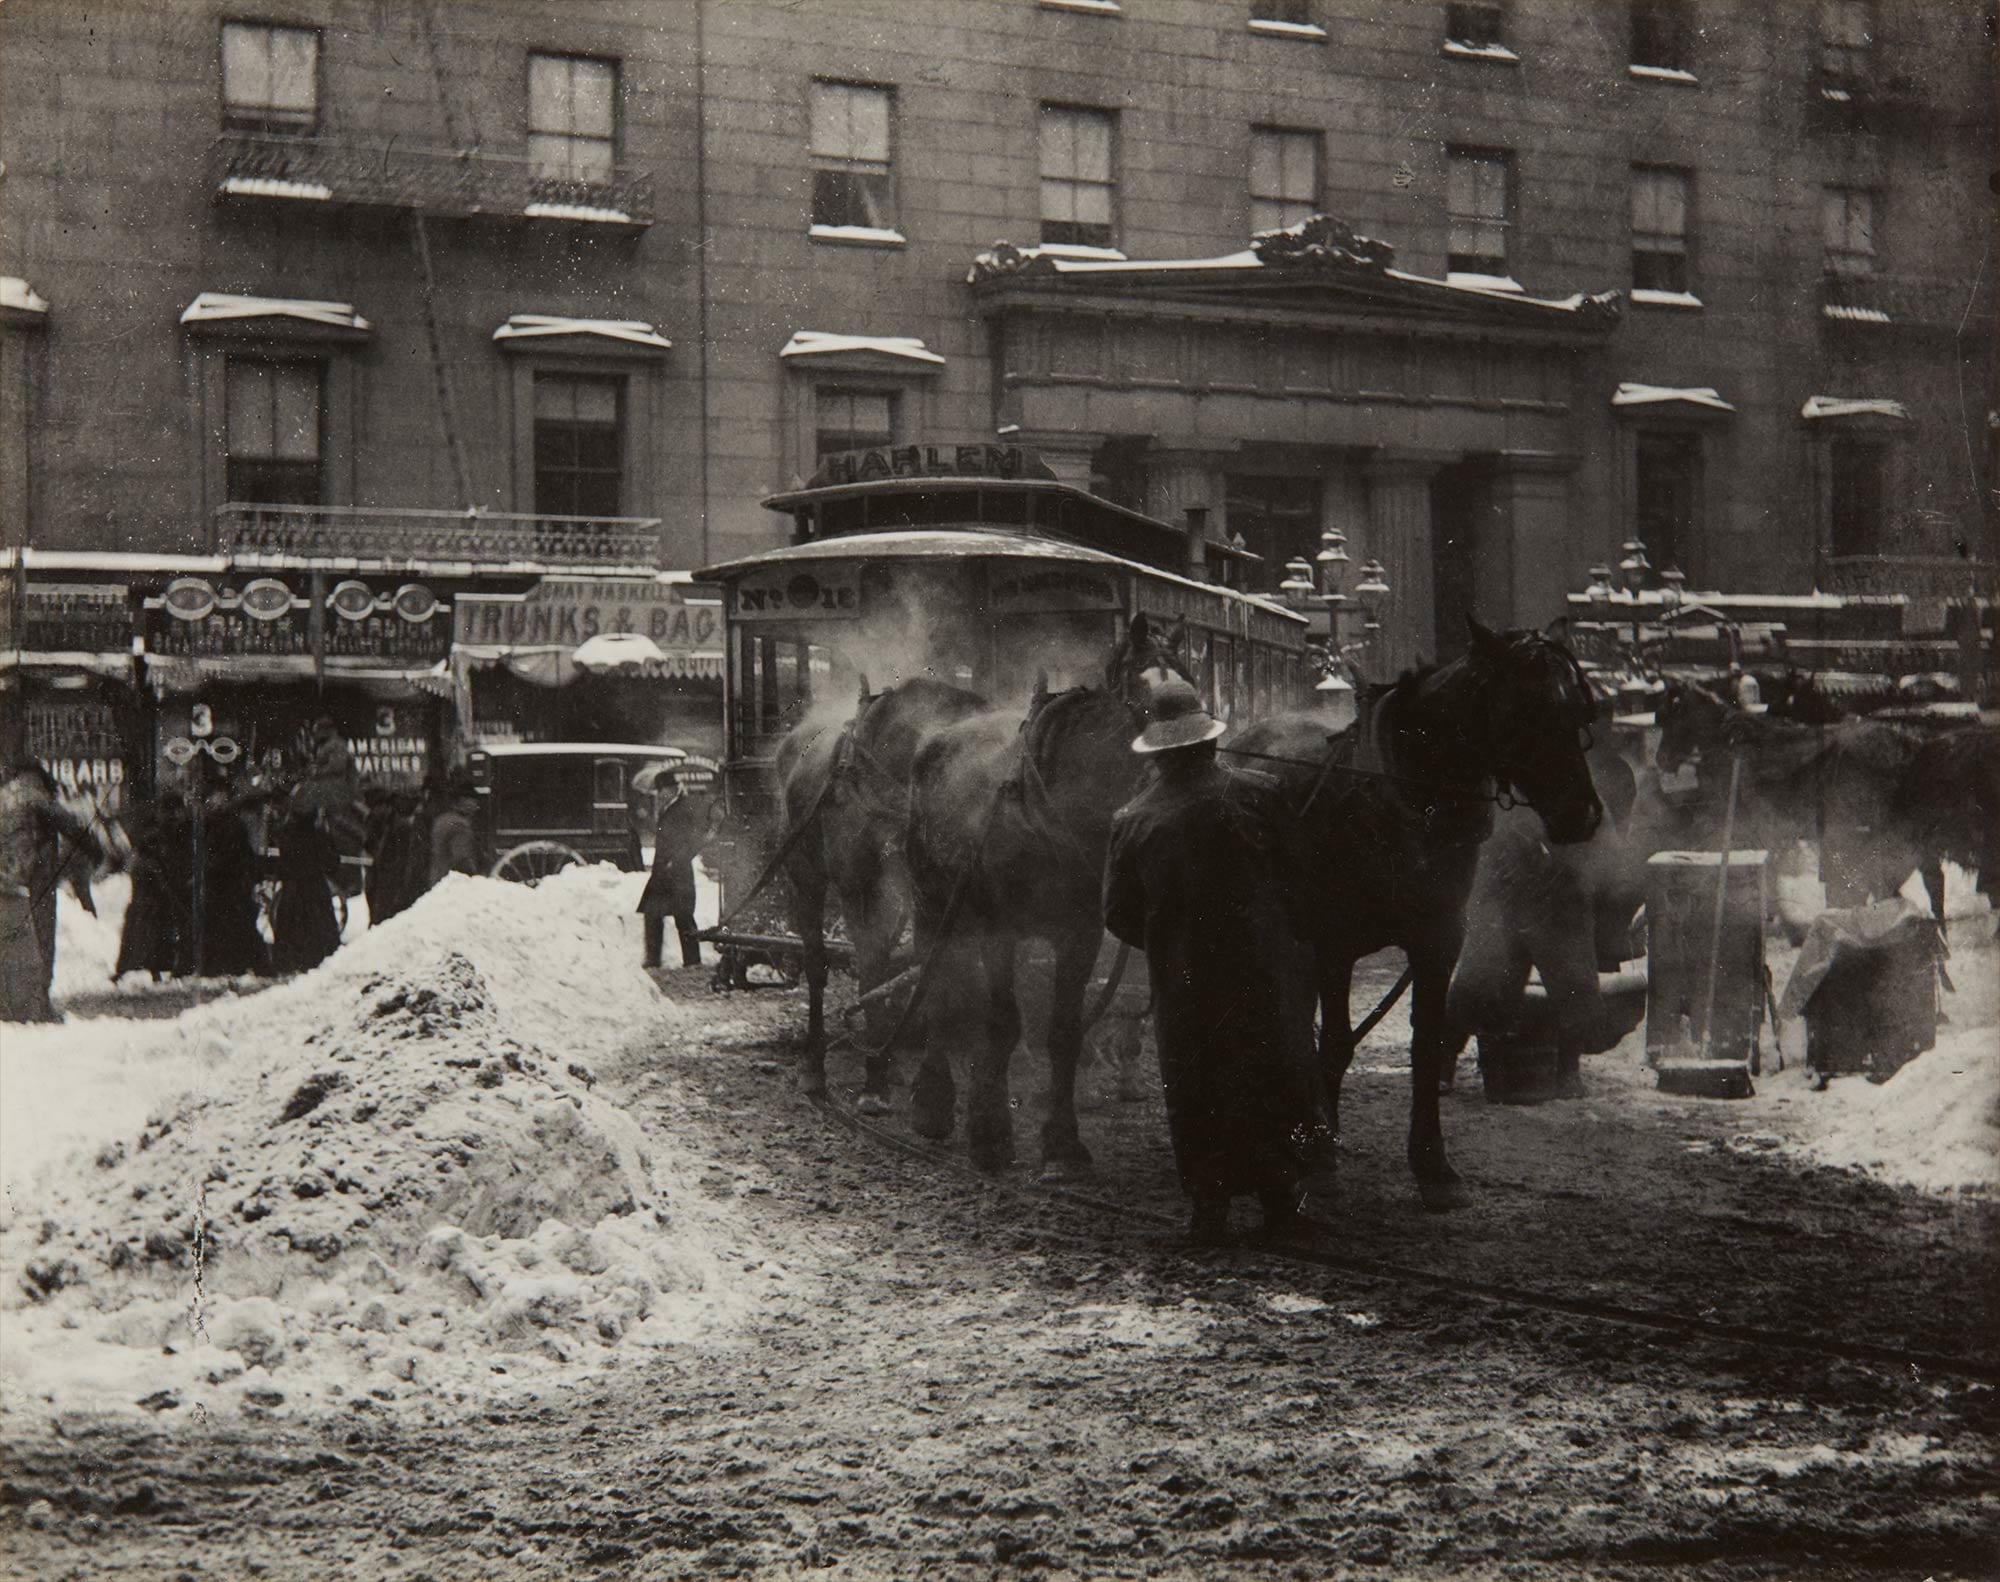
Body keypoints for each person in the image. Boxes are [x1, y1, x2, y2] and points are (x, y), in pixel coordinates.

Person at [1102, 679, 1322, 1246]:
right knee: (1274, 1077)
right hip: (1264, 973)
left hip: (1185, 981)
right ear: (1207, 741)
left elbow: (1119, 914)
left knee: (1196, 1087)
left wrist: (1171, 941)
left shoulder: (1131, 818)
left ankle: (1209, 1211)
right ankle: (1282, 1207)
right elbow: (1302, 879)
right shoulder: (1263, 794)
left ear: (1158, 751)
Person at [0, 757, 106, 1020]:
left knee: (10, 944)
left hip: (6, 879)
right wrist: (97, 851)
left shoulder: (5, 795)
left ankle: (8, 1005)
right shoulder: (36, 794)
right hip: (35, 877)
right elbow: (69, 824)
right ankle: (37, 1006)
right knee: (42, 940)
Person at [636, 772, 705, 969]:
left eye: (661, 791)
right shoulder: (668, 808)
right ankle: (653, 958)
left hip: (678, 872)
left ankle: (692, 961)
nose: (659, 795)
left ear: (672, 789)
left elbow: (695, 839)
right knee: (652, 912)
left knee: (683, 917)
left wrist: (677, 860)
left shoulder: (684, 807)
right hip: (662, 873)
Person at [427, 773, 484, 886]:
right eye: (473, 800)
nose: (476, 805)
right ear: (462, 800)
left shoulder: (442, 819)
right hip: (452, 885)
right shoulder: (459, 824)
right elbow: (462, 860)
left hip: (437, 880)